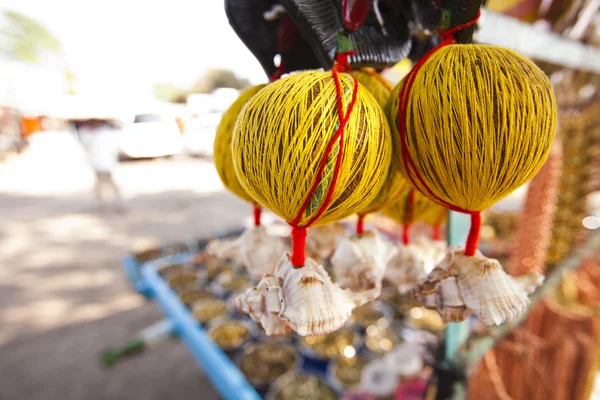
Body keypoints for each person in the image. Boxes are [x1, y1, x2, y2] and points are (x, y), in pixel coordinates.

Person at [76, 118, 124, 211]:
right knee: (100, 186)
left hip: (105, 164)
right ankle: (103, 203)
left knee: (110, 185)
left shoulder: (105, 133)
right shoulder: (90, 134)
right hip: (99, 164)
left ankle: (116, 203)